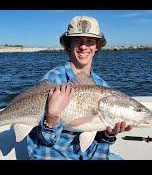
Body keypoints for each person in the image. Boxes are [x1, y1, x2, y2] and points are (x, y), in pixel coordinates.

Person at [24, 15, 133, 160]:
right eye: (77, 41)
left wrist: (109, 134)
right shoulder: (53, 79)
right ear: (68, 45)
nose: (83, 46)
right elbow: (41, 143)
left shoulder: (102, 85)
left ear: (97, 46)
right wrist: (51, 118)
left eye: (90, 41)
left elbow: (97, 138)